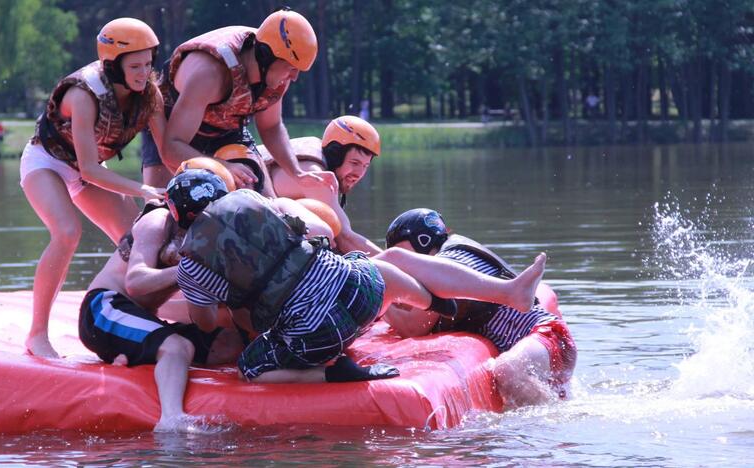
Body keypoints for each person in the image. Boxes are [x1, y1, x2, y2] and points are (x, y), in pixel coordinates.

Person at [170, 171, 548, 384]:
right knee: (384, 263)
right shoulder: (260, 201)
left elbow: (205, 322)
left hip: (316, 333)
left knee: (249, 370)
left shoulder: (191, 262)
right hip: (360, 296)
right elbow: (321, 232)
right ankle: (439, 299)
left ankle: (333, 374)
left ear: (179, 216)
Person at [20, 18, 168, 358]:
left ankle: (138, 322)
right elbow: (87, 167)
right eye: (134, 66)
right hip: (47, 163)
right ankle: (37, 335)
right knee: (68, 232)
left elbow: (168, 151)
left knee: (137, 237)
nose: (143, 73)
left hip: (86, 172)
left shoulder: (149, 95)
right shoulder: (83, 94)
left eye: (148, 64)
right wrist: (142, 190)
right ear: (113, 65)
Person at [79, 165, 243, 432]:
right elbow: (135, 282)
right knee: (179, 347)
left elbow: (204, 315)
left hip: (142, 317)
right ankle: (171, 419)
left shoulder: (213, 235)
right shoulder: (157, 221)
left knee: (229, 342)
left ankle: (135, 356)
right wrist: (186, 270)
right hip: (102, 310)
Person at [380, 208, 576, 408]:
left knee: (507, 370)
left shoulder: (449, 264)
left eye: (405, 255)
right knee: (510, 371)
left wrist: (382, 296)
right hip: (544, 343)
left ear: (421, 241)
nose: (402, 269)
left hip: (549, 335)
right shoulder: (451, 262)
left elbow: (413, 326)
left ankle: (561, 423)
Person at [140, 8, 336, 199]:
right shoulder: (210, 74)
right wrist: (222, 167)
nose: (294, 77)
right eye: (291, 68)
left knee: (269, 207)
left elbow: (271, 127)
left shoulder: (277, 75)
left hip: (227, 128)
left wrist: (297, 173)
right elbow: (172, 148)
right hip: (172, 124)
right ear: (266, 56)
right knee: (165, 208)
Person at [263, 115, 382, 254]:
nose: (359, 173)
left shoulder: (312, 164)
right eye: (354, 163)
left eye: (365, 166)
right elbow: (346, 240)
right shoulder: (315, 177)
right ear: (334, 155)